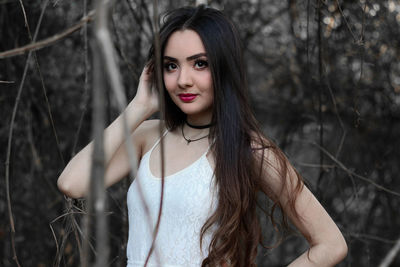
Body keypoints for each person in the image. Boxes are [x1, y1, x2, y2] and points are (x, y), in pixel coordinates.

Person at [57, 5, 347, 267]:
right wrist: (139, 107)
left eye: (200, 64)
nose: (183, 79)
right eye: (171, 65)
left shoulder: (250, 149)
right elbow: (72, 183)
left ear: (223, 68)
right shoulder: (148, 135)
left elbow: (331, 244)